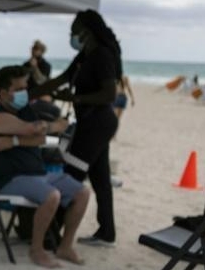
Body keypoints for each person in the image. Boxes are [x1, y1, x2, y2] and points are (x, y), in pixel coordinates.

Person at [31, 9, 121, 247]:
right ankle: (107, 232)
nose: (72, 36)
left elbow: (109, 93)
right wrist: (29, 94)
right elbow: (59, 80)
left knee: (71, 174)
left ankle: (52, 232)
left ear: (87, 32)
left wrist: (75, 99)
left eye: (74, 32)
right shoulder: (84, 56)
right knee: (100, 178)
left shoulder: (102, 55)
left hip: (97, 123)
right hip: (93, 123)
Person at [0, 65, 89, 268]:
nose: (25, 92)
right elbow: (33, 129)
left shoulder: (25, 110)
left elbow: (39, 139)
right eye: (19, 88)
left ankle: (65, 246)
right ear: (4, 93)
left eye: (26, 87)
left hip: (38, 174)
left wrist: (14, 141)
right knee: (52, 196)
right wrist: (53, 126)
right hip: (10, 179)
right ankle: (37, 250)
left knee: (82, 192)